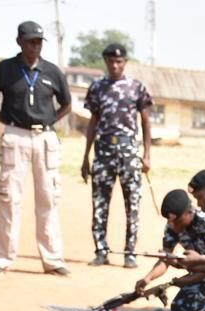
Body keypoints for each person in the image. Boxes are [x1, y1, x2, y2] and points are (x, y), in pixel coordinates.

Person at [0, 20, 72, 277]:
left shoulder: (52, 71)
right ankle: (0, 260)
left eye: (39, 42)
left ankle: (53, 260)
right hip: (15, 136)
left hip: (45, 139)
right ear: (19, 42)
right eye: (30, 42)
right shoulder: (5, 69)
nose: (35, 46)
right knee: (10, 199)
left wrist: (50, 121)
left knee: (48, 199)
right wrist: (3, 119)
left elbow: (67, 104)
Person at [82, 43, 153, 267]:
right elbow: (92, 123)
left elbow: (146, 122)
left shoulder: (136, 87)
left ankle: (130, 252)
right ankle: (101, 250)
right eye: (111, 61)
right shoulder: (97, 87)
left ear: (125, 62)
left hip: (128, 151)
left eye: (119, 61)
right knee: (99, 203)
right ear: (106, 62)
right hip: (103, 150)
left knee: (132, 203)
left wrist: (147, 155)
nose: (115, 65)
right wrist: (85, 157)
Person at [135, 189, 205, 311]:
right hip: (200, 273)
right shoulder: (172, 225)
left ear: (189, 212)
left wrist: (188, 280)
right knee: (179, 306)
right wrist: (148, 278)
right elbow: (165, 259)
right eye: (169, 220)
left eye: (176, 221)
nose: (171, 225)